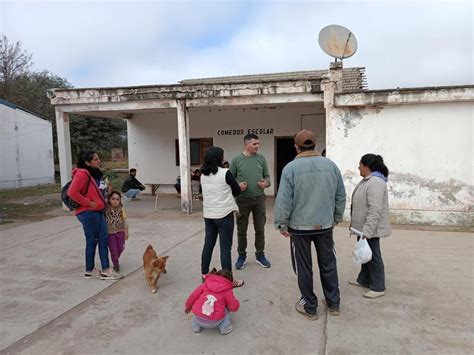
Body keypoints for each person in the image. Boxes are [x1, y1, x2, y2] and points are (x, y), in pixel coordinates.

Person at [274, 130, 346, 320]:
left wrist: (282, 224)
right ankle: (334, 303)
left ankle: (310, 307)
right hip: (324, 225)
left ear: (296, 146)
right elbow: (340, 195)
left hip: (299, 228)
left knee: (304, 267)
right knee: (328, 263)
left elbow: (283, 200)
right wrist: (336, 217)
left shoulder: (290, 168)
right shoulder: (330, 166)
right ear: (315, 144)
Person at [68, 150, 122, 280]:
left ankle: (90, 270)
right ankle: (105, 270)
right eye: (95, 159)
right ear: (87, 162)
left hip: (97, 211)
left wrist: (106, 192)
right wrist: (88, 203)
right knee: (101, 240)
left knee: (94, 241)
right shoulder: (82, 174)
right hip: (89, 212)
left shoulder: (95, 174)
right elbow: (72, 192)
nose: (99, 161)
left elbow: (95, 193)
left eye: (98, 158)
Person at [200, 147, 244, 287]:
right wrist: (240, 186)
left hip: (209, 215)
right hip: (224, 215)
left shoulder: (203, 175)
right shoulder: (225, 173)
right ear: (219, 157)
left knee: (208, 245)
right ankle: (228, 281)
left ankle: (205, 274)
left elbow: (205, 191)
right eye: (222, 155)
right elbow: (236, 191)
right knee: (225, 248)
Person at [349, 154, 391, 299]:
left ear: (366, 166)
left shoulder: (376, 183)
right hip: (362, 228)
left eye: (360, 164)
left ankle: (378, 286)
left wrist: (367, 231)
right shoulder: (367, 181)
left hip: (370, 228)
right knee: (364, 254)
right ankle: (364, 279)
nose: (358, 167)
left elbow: (375, 209)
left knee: (373, 256)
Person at [230, 133, 271, 269]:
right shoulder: (236, 160)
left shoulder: (261, 159)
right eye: (255, 144)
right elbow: (230, 179)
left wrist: (267, 183)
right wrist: (238, 186)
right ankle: (242, 256)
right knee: (242, 231)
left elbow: (267, 176)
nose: (257, 146)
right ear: (247, 145)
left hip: (259, 199)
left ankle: (260, 255)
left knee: (260, 229)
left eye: (258, 144)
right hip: (242, 200)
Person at [185, 268, 240, 335]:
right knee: (226, 310)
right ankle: (225, 329)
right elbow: (233, 307)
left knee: (198, 309)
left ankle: (196, 327)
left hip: (199, 318)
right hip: (215, 322)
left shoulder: (205, 284)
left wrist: (188, 306)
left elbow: (193, 297)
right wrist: (236, 303)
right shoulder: (227, 290)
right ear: (229, 280)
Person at [105, 191, 129, 272]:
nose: (115, 201)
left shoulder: (121, 209)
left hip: (120, 231)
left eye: (117, 199)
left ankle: (115, 259)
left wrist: (126, 231)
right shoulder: (105, 209)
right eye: (113, 199)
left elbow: (125, 220)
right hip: (110, 233)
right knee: (113, 250)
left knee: (121, 248)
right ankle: (116, 264)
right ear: (109, 199)